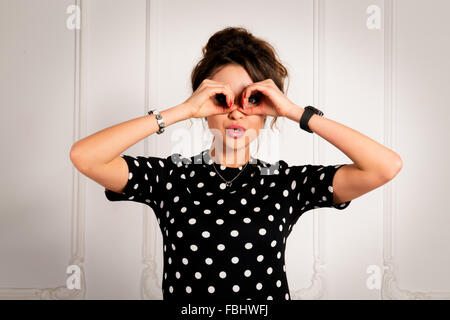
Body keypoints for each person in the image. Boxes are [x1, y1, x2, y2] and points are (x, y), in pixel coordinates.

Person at [70, 27, 402, 301]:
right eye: (221, 97)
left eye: (252, 98)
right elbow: (85, 156)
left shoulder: (283, 183)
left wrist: (295, 112)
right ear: (203, 102)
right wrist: (182, 110)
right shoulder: (170, 177)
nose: (236, 110)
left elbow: (384, 166)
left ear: (268, 110)